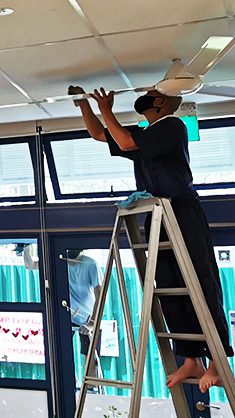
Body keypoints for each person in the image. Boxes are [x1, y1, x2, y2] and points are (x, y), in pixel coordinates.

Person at [77, 87, 233, 392]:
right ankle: (191, 359)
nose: (145, 96)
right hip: (158, 213)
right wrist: (83, 103)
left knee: (200, 281)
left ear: (160, 102)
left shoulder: (172, 125)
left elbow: (124, 141)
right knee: (169, 285)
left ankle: (217, 360)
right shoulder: (144, 134)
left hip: (182, 210)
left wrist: (106, 107)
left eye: (151, 93)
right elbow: (99, 134)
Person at [66, 251, 101, 355]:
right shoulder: (58, 261)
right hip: (67, 316)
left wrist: (92, 324)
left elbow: (100, 296)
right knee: (60, 352)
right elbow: (31, 265)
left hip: (88, 316)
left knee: (91, 356)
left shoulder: (90, 264)